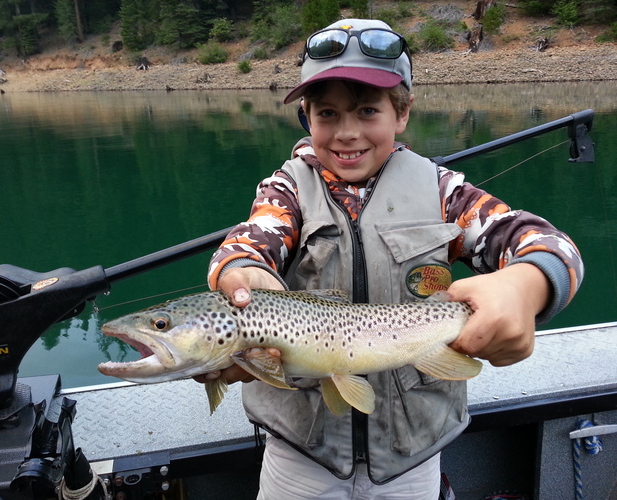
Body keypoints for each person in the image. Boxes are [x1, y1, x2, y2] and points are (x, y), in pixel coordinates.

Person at [197, 18, 584, 500]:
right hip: (301, 454)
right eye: (327, 115)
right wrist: (241, 272)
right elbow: (250, 243)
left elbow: (550, 245)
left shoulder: (446, 193)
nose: (347, 133)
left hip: (413, 457)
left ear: (401, 112)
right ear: (306, 117)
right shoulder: (287, 189)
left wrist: (525, 286)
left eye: (366, 110)